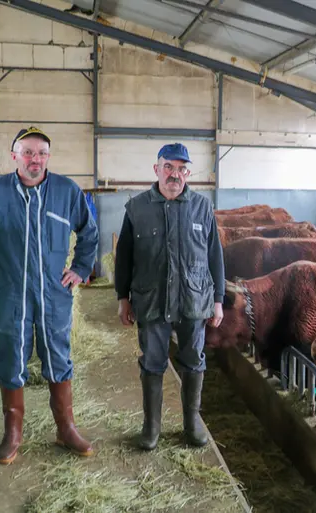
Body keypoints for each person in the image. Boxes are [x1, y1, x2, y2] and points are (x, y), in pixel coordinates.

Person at [0, 126, 99, 464]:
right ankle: (12, 434)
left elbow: (88, 231)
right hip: (10, 292)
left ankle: (66, 429)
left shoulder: (66, 191)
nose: (35, 159)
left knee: (58, 356)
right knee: (10, 356)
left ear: (49, 157)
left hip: (53, 292)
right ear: (14, 155)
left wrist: (80, 267)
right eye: (28, 152)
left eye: (42, 153)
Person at [114, 142, 225, 451]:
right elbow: (124, 257)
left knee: (193, 360)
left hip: (193, 298)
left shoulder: (202, 207)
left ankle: (192, 423)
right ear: (156, 169)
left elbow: (215, 255)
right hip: (151, 299)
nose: (175, 175)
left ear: (188, 173)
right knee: (152, 361)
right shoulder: (137, 207)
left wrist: (218, 299)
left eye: (181, 169)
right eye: (168, 167)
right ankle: (152, 427)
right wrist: (123, 298)